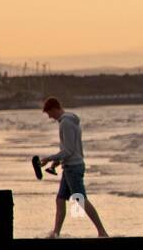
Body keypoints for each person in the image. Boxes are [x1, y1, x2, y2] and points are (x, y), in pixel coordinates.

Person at [39, 97, 109, 238]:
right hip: (69, 166)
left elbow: (69, 150)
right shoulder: (70, 121)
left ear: (54, 108)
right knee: (60, 200)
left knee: (80, 199)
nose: (50, 117)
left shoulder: (65, 123)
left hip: (73, 168)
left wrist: (49, 158)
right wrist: (58, 161)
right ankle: (56, 233)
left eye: (49, 113)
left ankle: (102, 232)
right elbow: (71, 149)